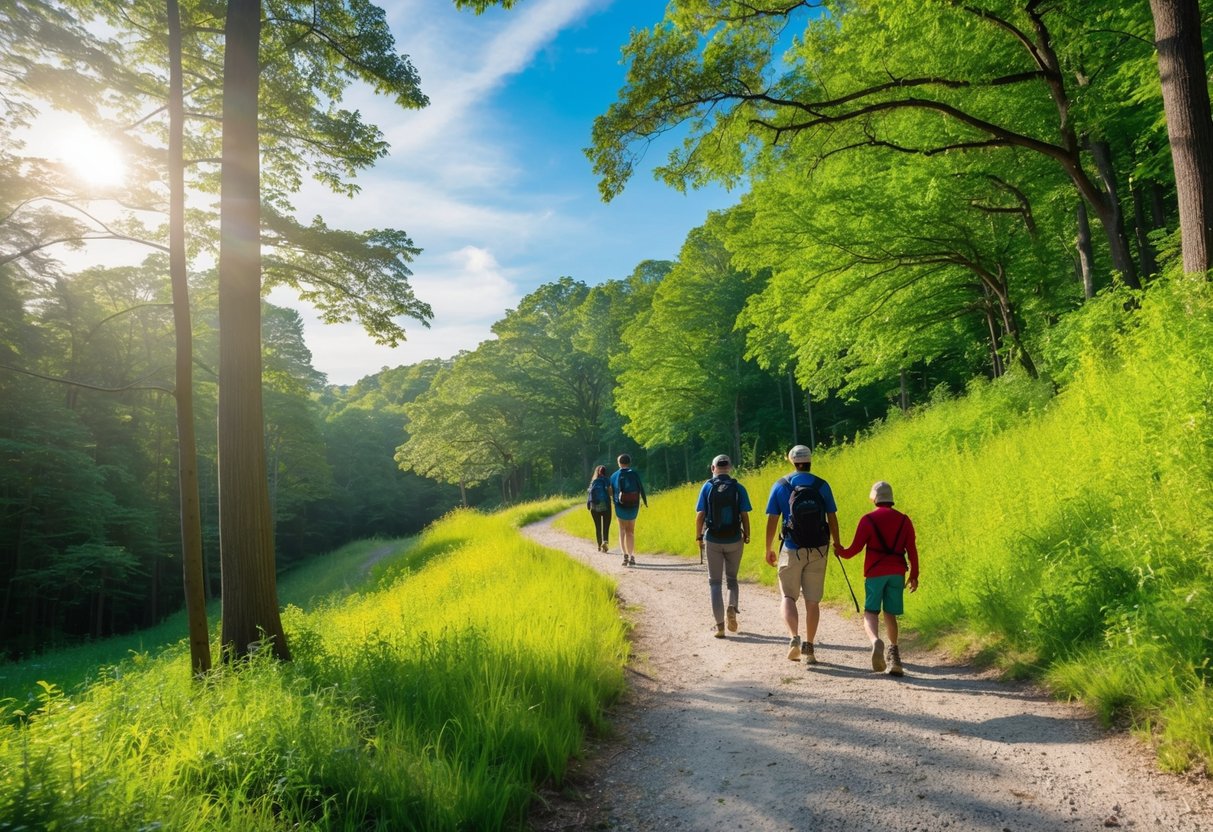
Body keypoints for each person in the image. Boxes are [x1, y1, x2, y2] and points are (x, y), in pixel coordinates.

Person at [764, 444, 841, 664]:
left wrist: (768, 548)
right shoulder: (821, 485)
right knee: (812, 601)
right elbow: (832, 517)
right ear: (810, 461)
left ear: (791, 461)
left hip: (791, 547)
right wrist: (837, 542)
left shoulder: (780, 485)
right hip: (819, 548)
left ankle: (793, 638)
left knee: (788, 597)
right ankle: (809, 646)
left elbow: (772, 519)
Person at [835, 480, 919, 676]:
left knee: (871, 612)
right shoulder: (904, 520)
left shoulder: (868, 520)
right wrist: (914, 575)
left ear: (874, 498)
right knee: (890, 614)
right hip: (898, 572)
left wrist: (840, 551)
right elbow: (912, 551)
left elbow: (853, 550)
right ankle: (894, 654)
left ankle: (875, 641)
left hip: (875, 572)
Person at [694, 454, 752, 638]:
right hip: (734, 539)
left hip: (713, 539)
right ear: (730, 467)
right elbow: (744, 515)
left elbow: (700, 515)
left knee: (715, 582)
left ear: (713, 469)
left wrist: (698, 536)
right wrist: (747, 534)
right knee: (732, 580)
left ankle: (720, 627)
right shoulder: (738, 487)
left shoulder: (707, 487)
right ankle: (731, 607)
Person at [610, 453, 648, 566]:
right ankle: (632, 556)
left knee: (622, 530)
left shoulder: (614, 476)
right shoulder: (635, 473)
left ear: (619, 463)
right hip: (633, 505)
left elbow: (611, 492)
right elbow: (640, 489)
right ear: (629, 462)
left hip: (620, 506)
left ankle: (625, 556)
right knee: (630, 531)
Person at [586, 464, 613, 552]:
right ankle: (604, 542)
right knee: (606, 526)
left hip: (594, 506)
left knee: (598, 527)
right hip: (606, 505)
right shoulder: (607, 480)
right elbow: (610, 493)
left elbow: (589, 494)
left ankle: (598, 545)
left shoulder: (593, 482)